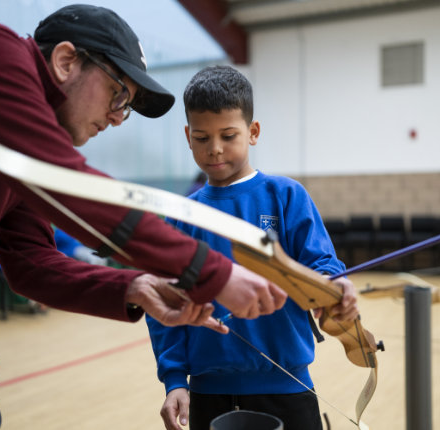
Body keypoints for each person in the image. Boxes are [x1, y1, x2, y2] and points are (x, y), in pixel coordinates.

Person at [0, 5, 288, 338]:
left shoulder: (23, 148)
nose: (118, 118)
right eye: (118, 94)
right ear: (66, 61)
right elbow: (78, 191)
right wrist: (213, 273)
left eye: (127, 107)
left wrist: (134, 286)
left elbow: (31, 263)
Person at [146, 65, 360, 430]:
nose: (214, 149)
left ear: (253, 131)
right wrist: (175, 380)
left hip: (288, 388)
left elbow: (321, 263)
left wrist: (333, 286)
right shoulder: (180, 215)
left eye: (228, 135)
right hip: (207, 393)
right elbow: (165, 303)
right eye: (201, 138)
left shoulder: (286, 196)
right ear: (187, 135)